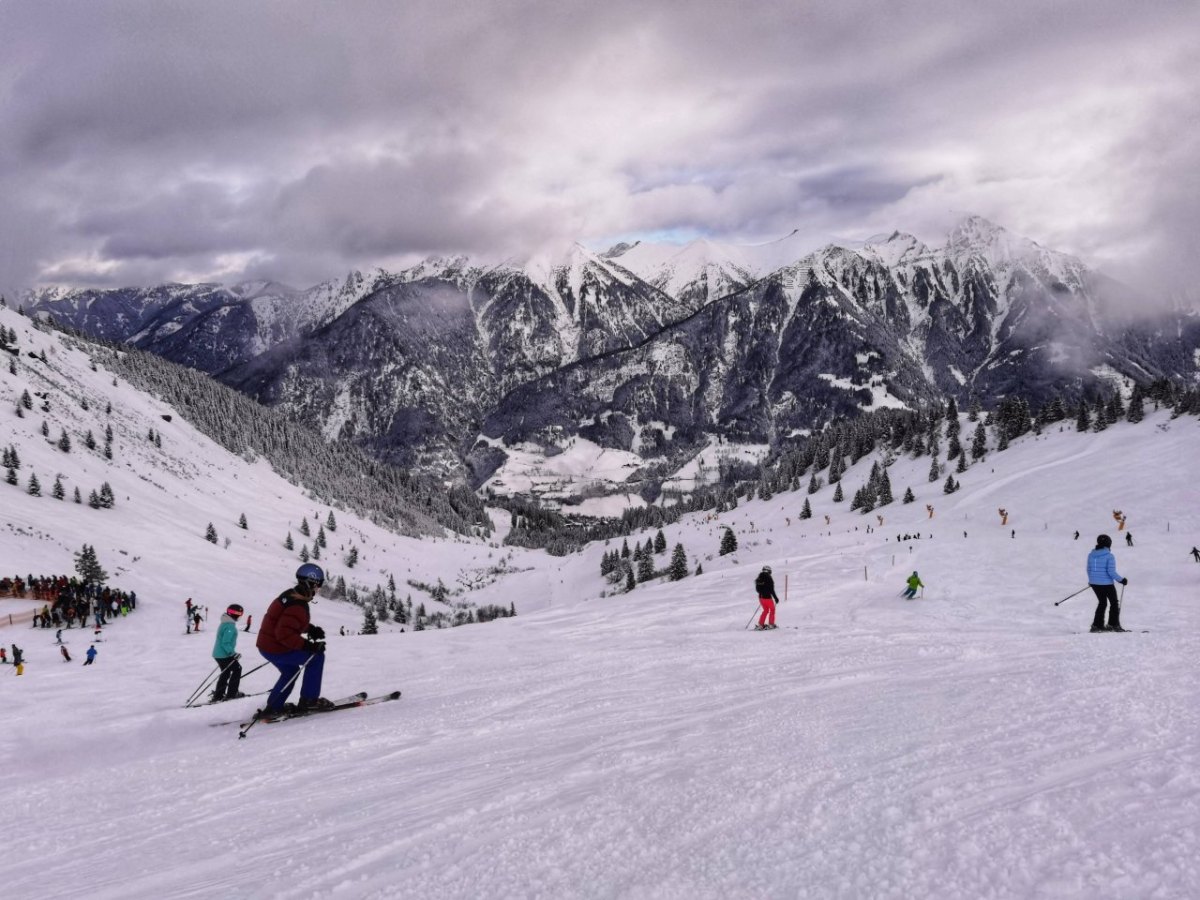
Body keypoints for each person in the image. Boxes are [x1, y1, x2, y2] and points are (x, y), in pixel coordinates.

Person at [255, 564, 333, 717]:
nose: (318, 590)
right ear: (311, 583)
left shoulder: (290, 595)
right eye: (318, 586)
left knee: (290, 672)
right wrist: (309, 646)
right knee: (316, 658)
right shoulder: (298, 604)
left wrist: (309, 629)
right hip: (277, 647)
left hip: (266, 646)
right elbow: (284, 634)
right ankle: (309, 701)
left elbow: (286, 622)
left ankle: (274, 707)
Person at [1087, 534, 1128, 632]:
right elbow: (1111, 572)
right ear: (1109, 544)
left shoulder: (1091, 555)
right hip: (1106, 584)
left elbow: (1089, 569)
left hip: (1094, 584)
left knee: (1102, 603)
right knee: (1113, 603)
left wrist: (1092, 580)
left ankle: (1097, 626)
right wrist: (1121, 580)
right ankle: (1113, 624)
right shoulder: (1109, 556)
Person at [211, 604, 245, 702]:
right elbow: (225, 643)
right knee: (237, 669)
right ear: (234, 614)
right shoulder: (229, 626)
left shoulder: (225, 622)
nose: (239, 616)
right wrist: (233, 653)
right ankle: (232, 694)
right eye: (239, 614)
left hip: (218, 654)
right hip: (224, 654)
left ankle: (218, 695)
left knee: (225, 673)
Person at [754, 566, 780, 630]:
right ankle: (771, 624)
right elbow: (771, 589)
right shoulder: (768, 578)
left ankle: (761, 624)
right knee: (772, 610)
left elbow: (757, 590)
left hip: (761, 597)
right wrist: (776, 598)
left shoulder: (759, 578)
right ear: (768, 571)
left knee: (765, 610)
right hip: (767, 597)